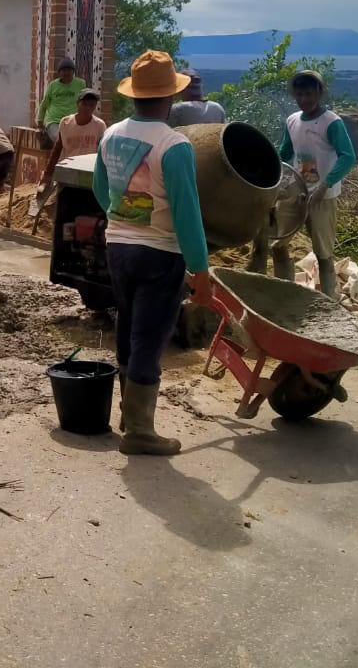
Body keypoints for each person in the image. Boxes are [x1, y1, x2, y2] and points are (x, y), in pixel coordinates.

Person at [94, 50, 213, 457]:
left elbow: (101, 189)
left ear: (135, 94)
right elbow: (187, 213)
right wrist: (201, 271)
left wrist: (123, 221)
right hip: (160, 253)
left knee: (128, 326)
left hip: (118, 247)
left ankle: (129, 416)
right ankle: (141, 431)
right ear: (171, 97)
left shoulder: (111, 134)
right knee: (149, 338)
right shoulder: (174, 145)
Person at [272, 70, 356, 299]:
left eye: (309, 94)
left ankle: (330, 301)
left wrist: (325, 185)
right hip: (295, 191)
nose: (304, 99)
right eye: (299, 95)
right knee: (278, 244)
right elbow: (285, 153)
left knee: (323, 252)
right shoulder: (292, 120)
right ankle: (285, 295)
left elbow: (348, 156)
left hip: (322, 195)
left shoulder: (331, 122)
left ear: (319, 93)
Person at [30, 89, 108, 215]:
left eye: (91, 105)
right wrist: (47, 174)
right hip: (68, 173)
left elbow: (103, 153)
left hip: (88, 174)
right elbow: (57, 149)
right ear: (78, 103)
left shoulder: (99, 126)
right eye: (85, 104)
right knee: (66, 210)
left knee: (86, 210)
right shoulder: (66, 123)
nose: (88, 108)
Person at [37, 57, 86, 144]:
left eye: (69, 70)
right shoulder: (53, 86)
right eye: (63, 70)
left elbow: (86, 102)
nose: (66, 73)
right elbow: (44, 105)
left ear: (73, 72)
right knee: (60, 139)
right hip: (54, 121)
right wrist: (40, 122)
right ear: (59, 73)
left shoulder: (81, 84)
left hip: (73, 121)